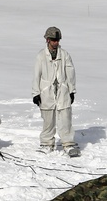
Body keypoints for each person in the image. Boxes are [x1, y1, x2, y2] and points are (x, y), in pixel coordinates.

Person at [32, 26, 79, 156]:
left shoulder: (64, 55)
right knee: (48, 119)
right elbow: (36, 75)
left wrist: (71, 90)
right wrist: (35, 93)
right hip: (46, 91)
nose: (55, 43)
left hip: (62, 90)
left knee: (65, 118)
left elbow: (70, 73)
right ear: (47, 40)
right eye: (53, 40)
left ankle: (68, 144)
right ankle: (47, 144)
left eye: (57, 40)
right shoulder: (41, 56)